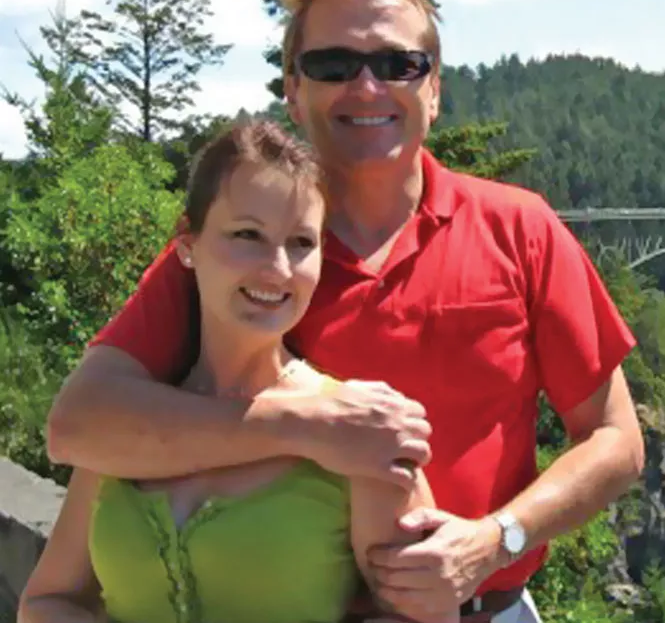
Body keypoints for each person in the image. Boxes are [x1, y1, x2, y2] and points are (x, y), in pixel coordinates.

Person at [43, 0, 644, 623]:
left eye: (397, 63)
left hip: (485, 605)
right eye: (333, 64)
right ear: (293, 91)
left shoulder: (518, 227)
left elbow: (616, 440)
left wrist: (494, 538)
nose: (365, 85)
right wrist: (307, 426)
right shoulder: (242, 254)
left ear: (435, 89)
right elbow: (79, 424)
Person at [20, 119, 455, 623]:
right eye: (248, 234)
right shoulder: (123, 426)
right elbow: (47, 601)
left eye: (301, 243)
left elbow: (426, 616)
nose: (277, 268)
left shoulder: (362, 435)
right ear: (187, 242)